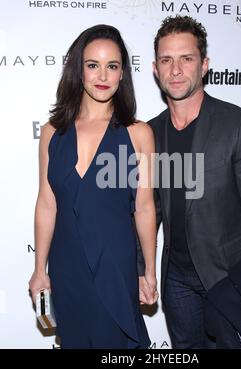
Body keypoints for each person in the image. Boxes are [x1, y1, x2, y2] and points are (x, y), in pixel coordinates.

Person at [148, 15, 241, 348]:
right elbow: (146, 210)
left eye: (186, 58)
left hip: (229, 277)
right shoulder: (149, 133)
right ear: (155, 68)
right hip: (176, 280)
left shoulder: (240, 125)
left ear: (204, 65)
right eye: (167, 60)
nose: (175, 69)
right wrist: (142, 269)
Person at [29, 24, 158, 349]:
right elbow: (47, 203)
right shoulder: (52, 132)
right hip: (67, 267)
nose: (103, 75)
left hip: (115, 265)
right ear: (79, 70)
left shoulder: (138, 133)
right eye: (93, 65)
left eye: (112, 66)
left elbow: (144, 207)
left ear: (122, 74)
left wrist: (149, 270)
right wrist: (39, 269)